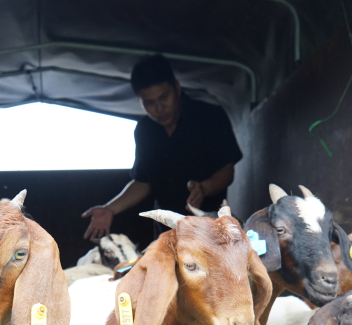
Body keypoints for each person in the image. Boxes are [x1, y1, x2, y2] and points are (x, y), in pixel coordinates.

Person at [82, 54, 243, 241]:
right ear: (139, 100)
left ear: (177, 87)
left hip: (210, 226)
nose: (159, 108)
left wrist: (204, 188)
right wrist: (110, 208)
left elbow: (227, 170)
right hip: (166, 232)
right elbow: (143, 182)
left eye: (164, 97)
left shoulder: (209, 116)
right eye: (149, 103)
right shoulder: (144, 130)